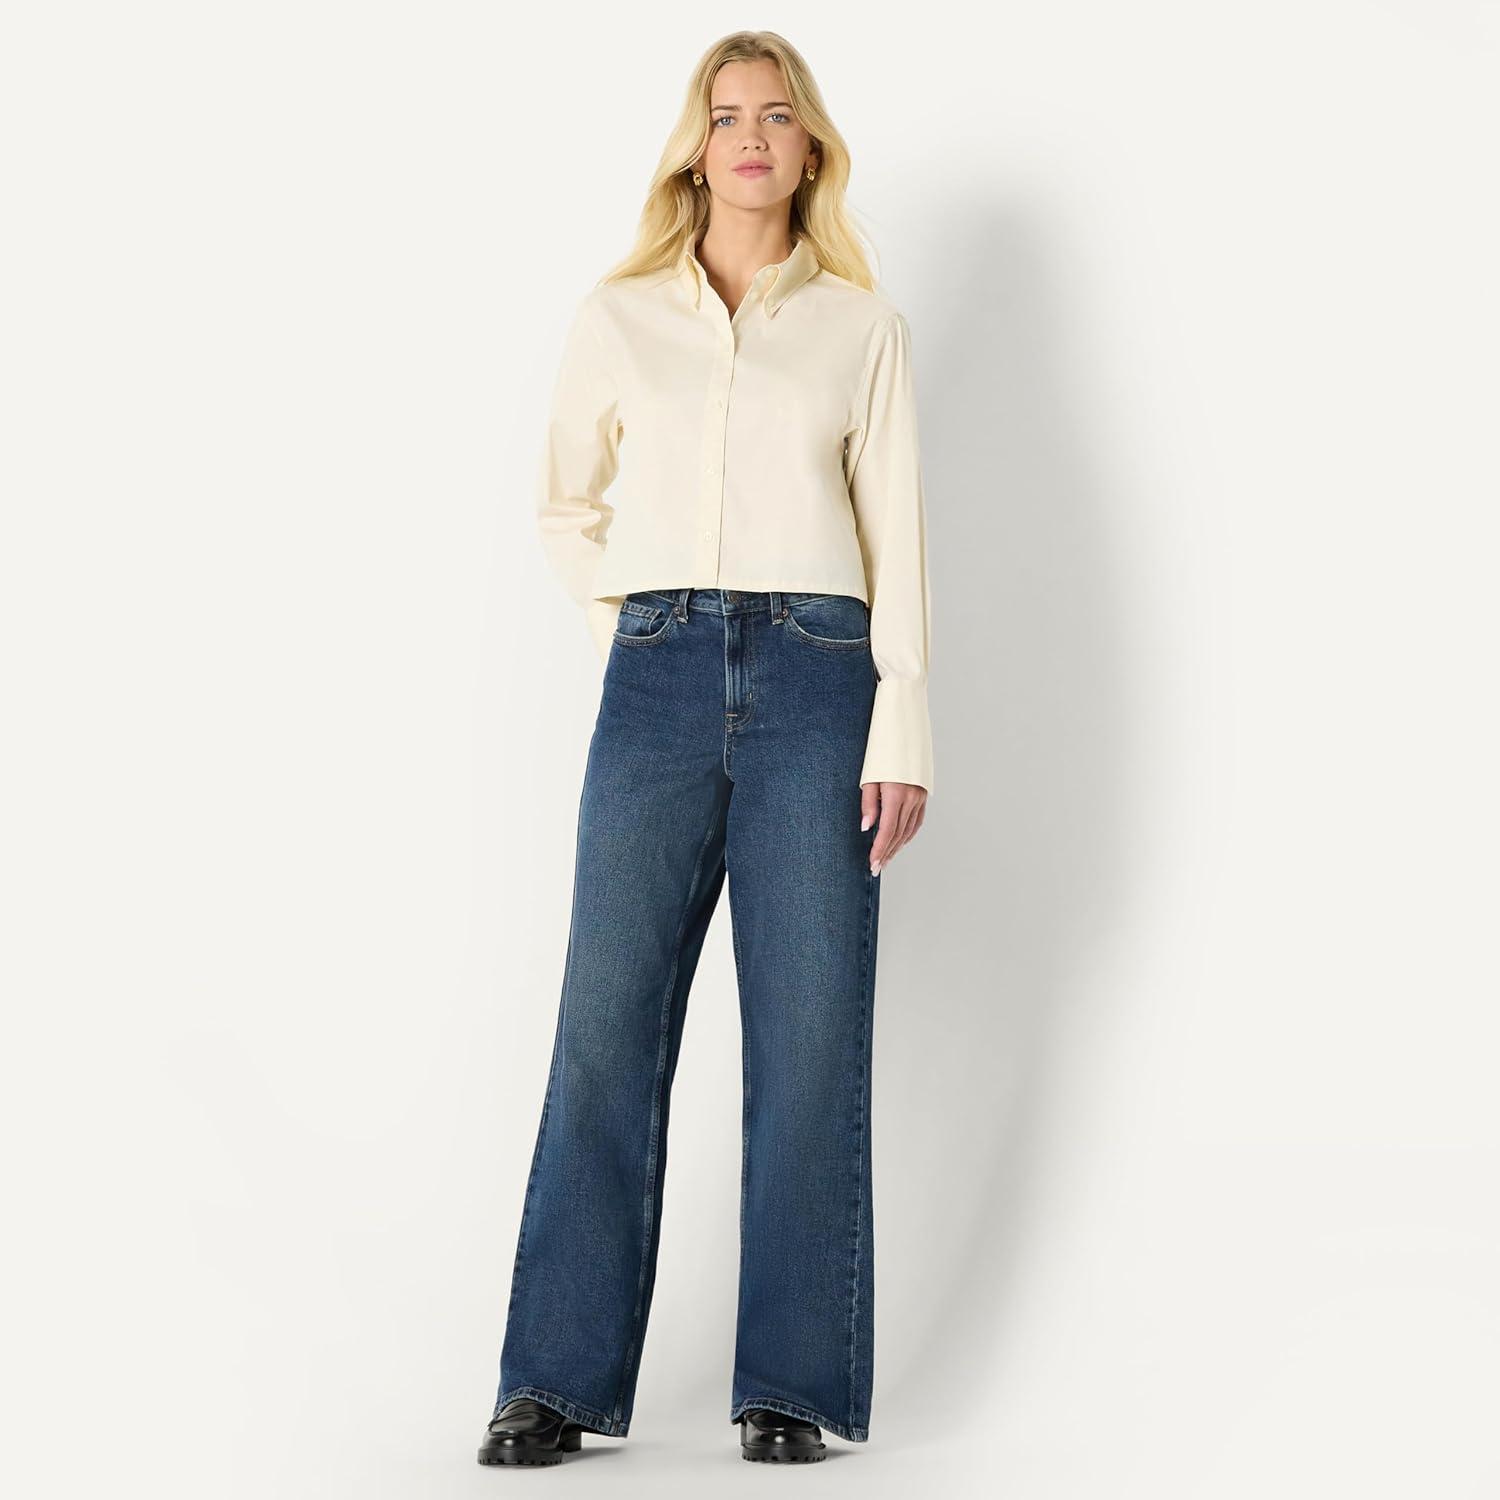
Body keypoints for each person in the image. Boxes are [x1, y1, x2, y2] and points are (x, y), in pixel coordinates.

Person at [479, 30, 933, 1468]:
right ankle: (555, 1381)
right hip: (660, 675)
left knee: (810, 1038)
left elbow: (900, 544)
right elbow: (564, 503)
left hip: (820, 676)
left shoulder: (862, 329)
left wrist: (904, 720)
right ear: (696, 145)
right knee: (604, 1024)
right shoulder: (620, 317)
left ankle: (791, 1385)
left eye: (776, 116)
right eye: (726, 115)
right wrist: (640, 618)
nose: (750, 137)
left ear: (809, 148)